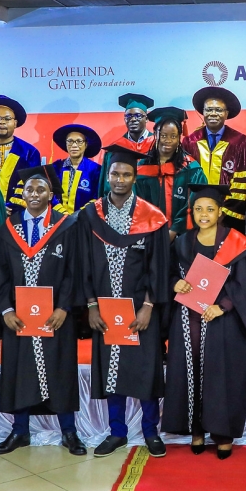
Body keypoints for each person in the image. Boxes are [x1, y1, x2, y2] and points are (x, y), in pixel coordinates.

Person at [80, 145, 170, 458]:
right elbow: (85, 265)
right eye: (115, 173)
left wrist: (148, 306)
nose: (120, 179)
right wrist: (91, 305)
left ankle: (150, 431)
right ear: (107, 176)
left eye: (127, 174)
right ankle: (116, 431)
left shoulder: (152, 217)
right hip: (104, 309)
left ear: (134, 177)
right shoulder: (91, 215)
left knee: (145, 370)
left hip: (141, 309)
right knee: (110, 371)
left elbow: (160, 266)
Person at [0, 166, 86, 457]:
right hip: (19, 317)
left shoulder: (67, 226)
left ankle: (69, 431)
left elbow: (75, 272)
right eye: (29, 189)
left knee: (61, 370)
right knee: (19, 371)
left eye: (40, 189)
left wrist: (64, 307)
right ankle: (20, 431)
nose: (34, 194)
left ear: (51, 195)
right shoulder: (8, 229)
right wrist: (5, 309)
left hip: (55, 317)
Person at [162, 184, 246, 459]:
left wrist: (224, 306)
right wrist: (175, 283)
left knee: (221, 375)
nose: (204, 214)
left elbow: (244, 283)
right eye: (199, 209)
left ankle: (223, 433)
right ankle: (196, 429)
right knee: (190, 373)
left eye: (210, 209)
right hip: (188, 320)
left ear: (220, 212)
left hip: (223, 321)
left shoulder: (236, 242)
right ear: (192, 212)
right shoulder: (181, 241)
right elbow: (168, 274)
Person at [135, 107, 207, 241]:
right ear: (155, 134)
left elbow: (197, 202)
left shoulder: (191, 169)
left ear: (179, 137)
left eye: (173, 136)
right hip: (148, 236)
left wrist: (174, 230)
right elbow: (138, 203)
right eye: (163, 135)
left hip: (183, 237)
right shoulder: (142, 167)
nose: (168, 140)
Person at [182, 87, 246, 228]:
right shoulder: (190, 141)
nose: (213, 113)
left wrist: (222, 213)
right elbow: (185, 179)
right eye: (208, 109)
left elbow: (241, 182)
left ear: (226, 114)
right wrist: (197, 210)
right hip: (196, 212)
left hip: (227, 217)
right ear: (203, 112)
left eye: (218, 110)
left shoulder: (239, 141)